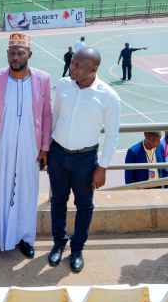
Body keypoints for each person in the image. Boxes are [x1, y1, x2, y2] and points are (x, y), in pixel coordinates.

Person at [48, 47, 120, 273]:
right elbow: (54, 117)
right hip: (58, 154)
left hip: (86, 159)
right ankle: (59, 243)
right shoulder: (63, 86)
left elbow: (112, 135)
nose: (73, 68)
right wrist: (47, 150)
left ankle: (77, 248)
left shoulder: (108, 96)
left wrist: (103, 167)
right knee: (58, 201)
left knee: (84, 205)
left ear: (94, 69)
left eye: (79, 65)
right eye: (72, 63)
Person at [0, 33, 52, 258]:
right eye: (12, 53)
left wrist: (45, 147)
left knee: (27, 191)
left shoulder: (43, 79)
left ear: (29, 54)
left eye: (20, 53)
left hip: (30, 145)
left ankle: (26, 238)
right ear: (7, 54)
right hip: (1, 143)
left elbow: (46, 115)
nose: (15, 57)